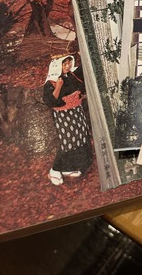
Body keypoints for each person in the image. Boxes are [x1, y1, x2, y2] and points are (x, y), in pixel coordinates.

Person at [42, 55, 93, 186]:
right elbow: (50, 101)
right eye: (64, 64)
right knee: (67, 141)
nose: (68, 66)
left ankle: (68, 168)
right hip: (64, 115)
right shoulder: (51, 82)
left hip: (76, 111)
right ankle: (54, 170)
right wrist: (58, 87)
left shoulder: (71, 76)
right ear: (57, 66)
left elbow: (81, 77)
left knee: (80, 138)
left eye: (69, 63)